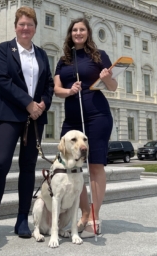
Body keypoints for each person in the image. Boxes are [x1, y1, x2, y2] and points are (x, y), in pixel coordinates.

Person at [0, 6, 54, 242]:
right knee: (0, 165)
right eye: (21, 24)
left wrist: (42, 103)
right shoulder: (4, 49)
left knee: (28, 166)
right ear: (15, 26)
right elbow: (3, 81)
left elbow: (49, 84)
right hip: (10, 114)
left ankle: (22, 218)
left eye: (30, 25)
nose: (25, 28)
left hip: (35, 118)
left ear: (34, 28)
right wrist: (28, 103)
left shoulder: (41, 54)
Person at [54, 18, 118, 238]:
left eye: (82, 29)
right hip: (72, 119)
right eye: (74, 29)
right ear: (70, 33)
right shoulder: (64, 60)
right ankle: (82, 214)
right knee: (73, 167)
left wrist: (107, 77)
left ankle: (93, 217)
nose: (78, 33)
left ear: (88, 33)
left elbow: (113, 87)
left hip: (97, 115)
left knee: (95, 166)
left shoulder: (99, 56)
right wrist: (70, 91)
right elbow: (56, 89)